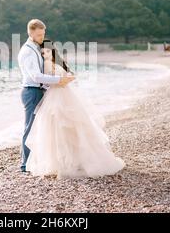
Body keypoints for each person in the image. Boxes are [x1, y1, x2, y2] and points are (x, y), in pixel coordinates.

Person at [25, 39, 125, 179]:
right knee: (59, 128)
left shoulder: (56, 62)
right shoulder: (46, 64)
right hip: (55, 96)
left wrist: (66, 78)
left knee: (73, 126)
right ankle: (64, 162)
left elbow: (68, 76)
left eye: (47, 51)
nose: (45, 54)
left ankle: (77, 160)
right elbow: (47, 81)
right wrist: (61, 80)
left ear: (52, 50)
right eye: (42, 53)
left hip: (66, 95)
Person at [17, 19, 75, 173]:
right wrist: (59, 80)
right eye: (39, 35)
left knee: (40, 127)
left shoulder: (37, 47)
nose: (42, 38)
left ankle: (36, 160)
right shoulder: (28, 51)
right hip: (31, 92)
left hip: (40, 91)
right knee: (30, 127)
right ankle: (24, 164)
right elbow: (36, 76)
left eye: (43, 34)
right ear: (30, 33)